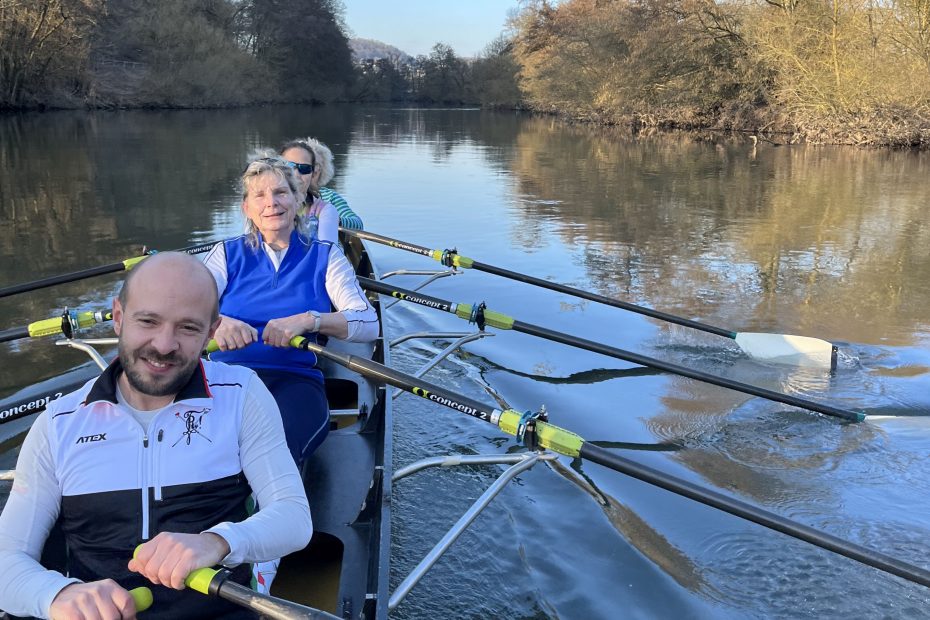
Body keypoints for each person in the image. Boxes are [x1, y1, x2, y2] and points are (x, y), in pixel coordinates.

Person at [0, 252, 312, 620]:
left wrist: (218, 542)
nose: (164, 345)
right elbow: (7, 560)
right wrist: (58, 594)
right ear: (118, 317)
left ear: (211, 332)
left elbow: (293, 517)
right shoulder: (59, 423)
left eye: (188, 328)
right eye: (148, 321)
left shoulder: (242, 395)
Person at [204, 156, 379, 467]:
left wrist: (310, 319)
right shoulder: (225, 255)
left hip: (293, 380)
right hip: (222, 377)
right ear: (247, 208)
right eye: (259, 195)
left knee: (272, 453)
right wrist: (216, 322)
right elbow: (182, 313)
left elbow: (367, 323)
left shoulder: (325, 256)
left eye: (281, 193)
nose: (271, 203)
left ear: (299, 198)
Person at [279, 137, 364, 244]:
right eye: (291, 166)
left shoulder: (329, 197)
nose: (297, 174)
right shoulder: (274, 198)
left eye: (306, 168)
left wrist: (333, 220)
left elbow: (357, 224)